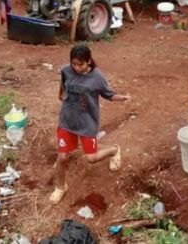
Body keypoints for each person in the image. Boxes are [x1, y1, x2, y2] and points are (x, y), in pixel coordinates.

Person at [50, 44, 131, 205]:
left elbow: (108, 94)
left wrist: (123, 98)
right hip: (67, 121)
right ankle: (60, 187)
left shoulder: (96, 77)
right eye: (74, 64)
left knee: (91, 158)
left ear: (88, 61)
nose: (76, 68)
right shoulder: (66, 70)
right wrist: (61, 96)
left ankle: (114, 150)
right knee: (62, 157)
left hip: (87, 123)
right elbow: (63, 86)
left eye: (80, 64)